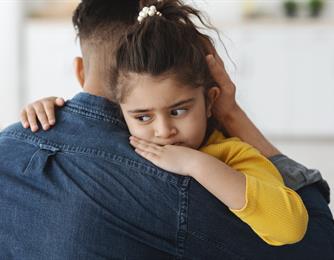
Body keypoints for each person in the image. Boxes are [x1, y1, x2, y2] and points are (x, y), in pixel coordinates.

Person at [0, 0, 333, 259]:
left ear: (81, 71)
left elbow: (288, 224)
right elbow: (320, 245)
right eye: (143, 116)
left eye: (178, 110)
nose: (164, 132)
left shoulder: (9, 143)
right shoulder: (172, 182)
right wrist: (233, 115)